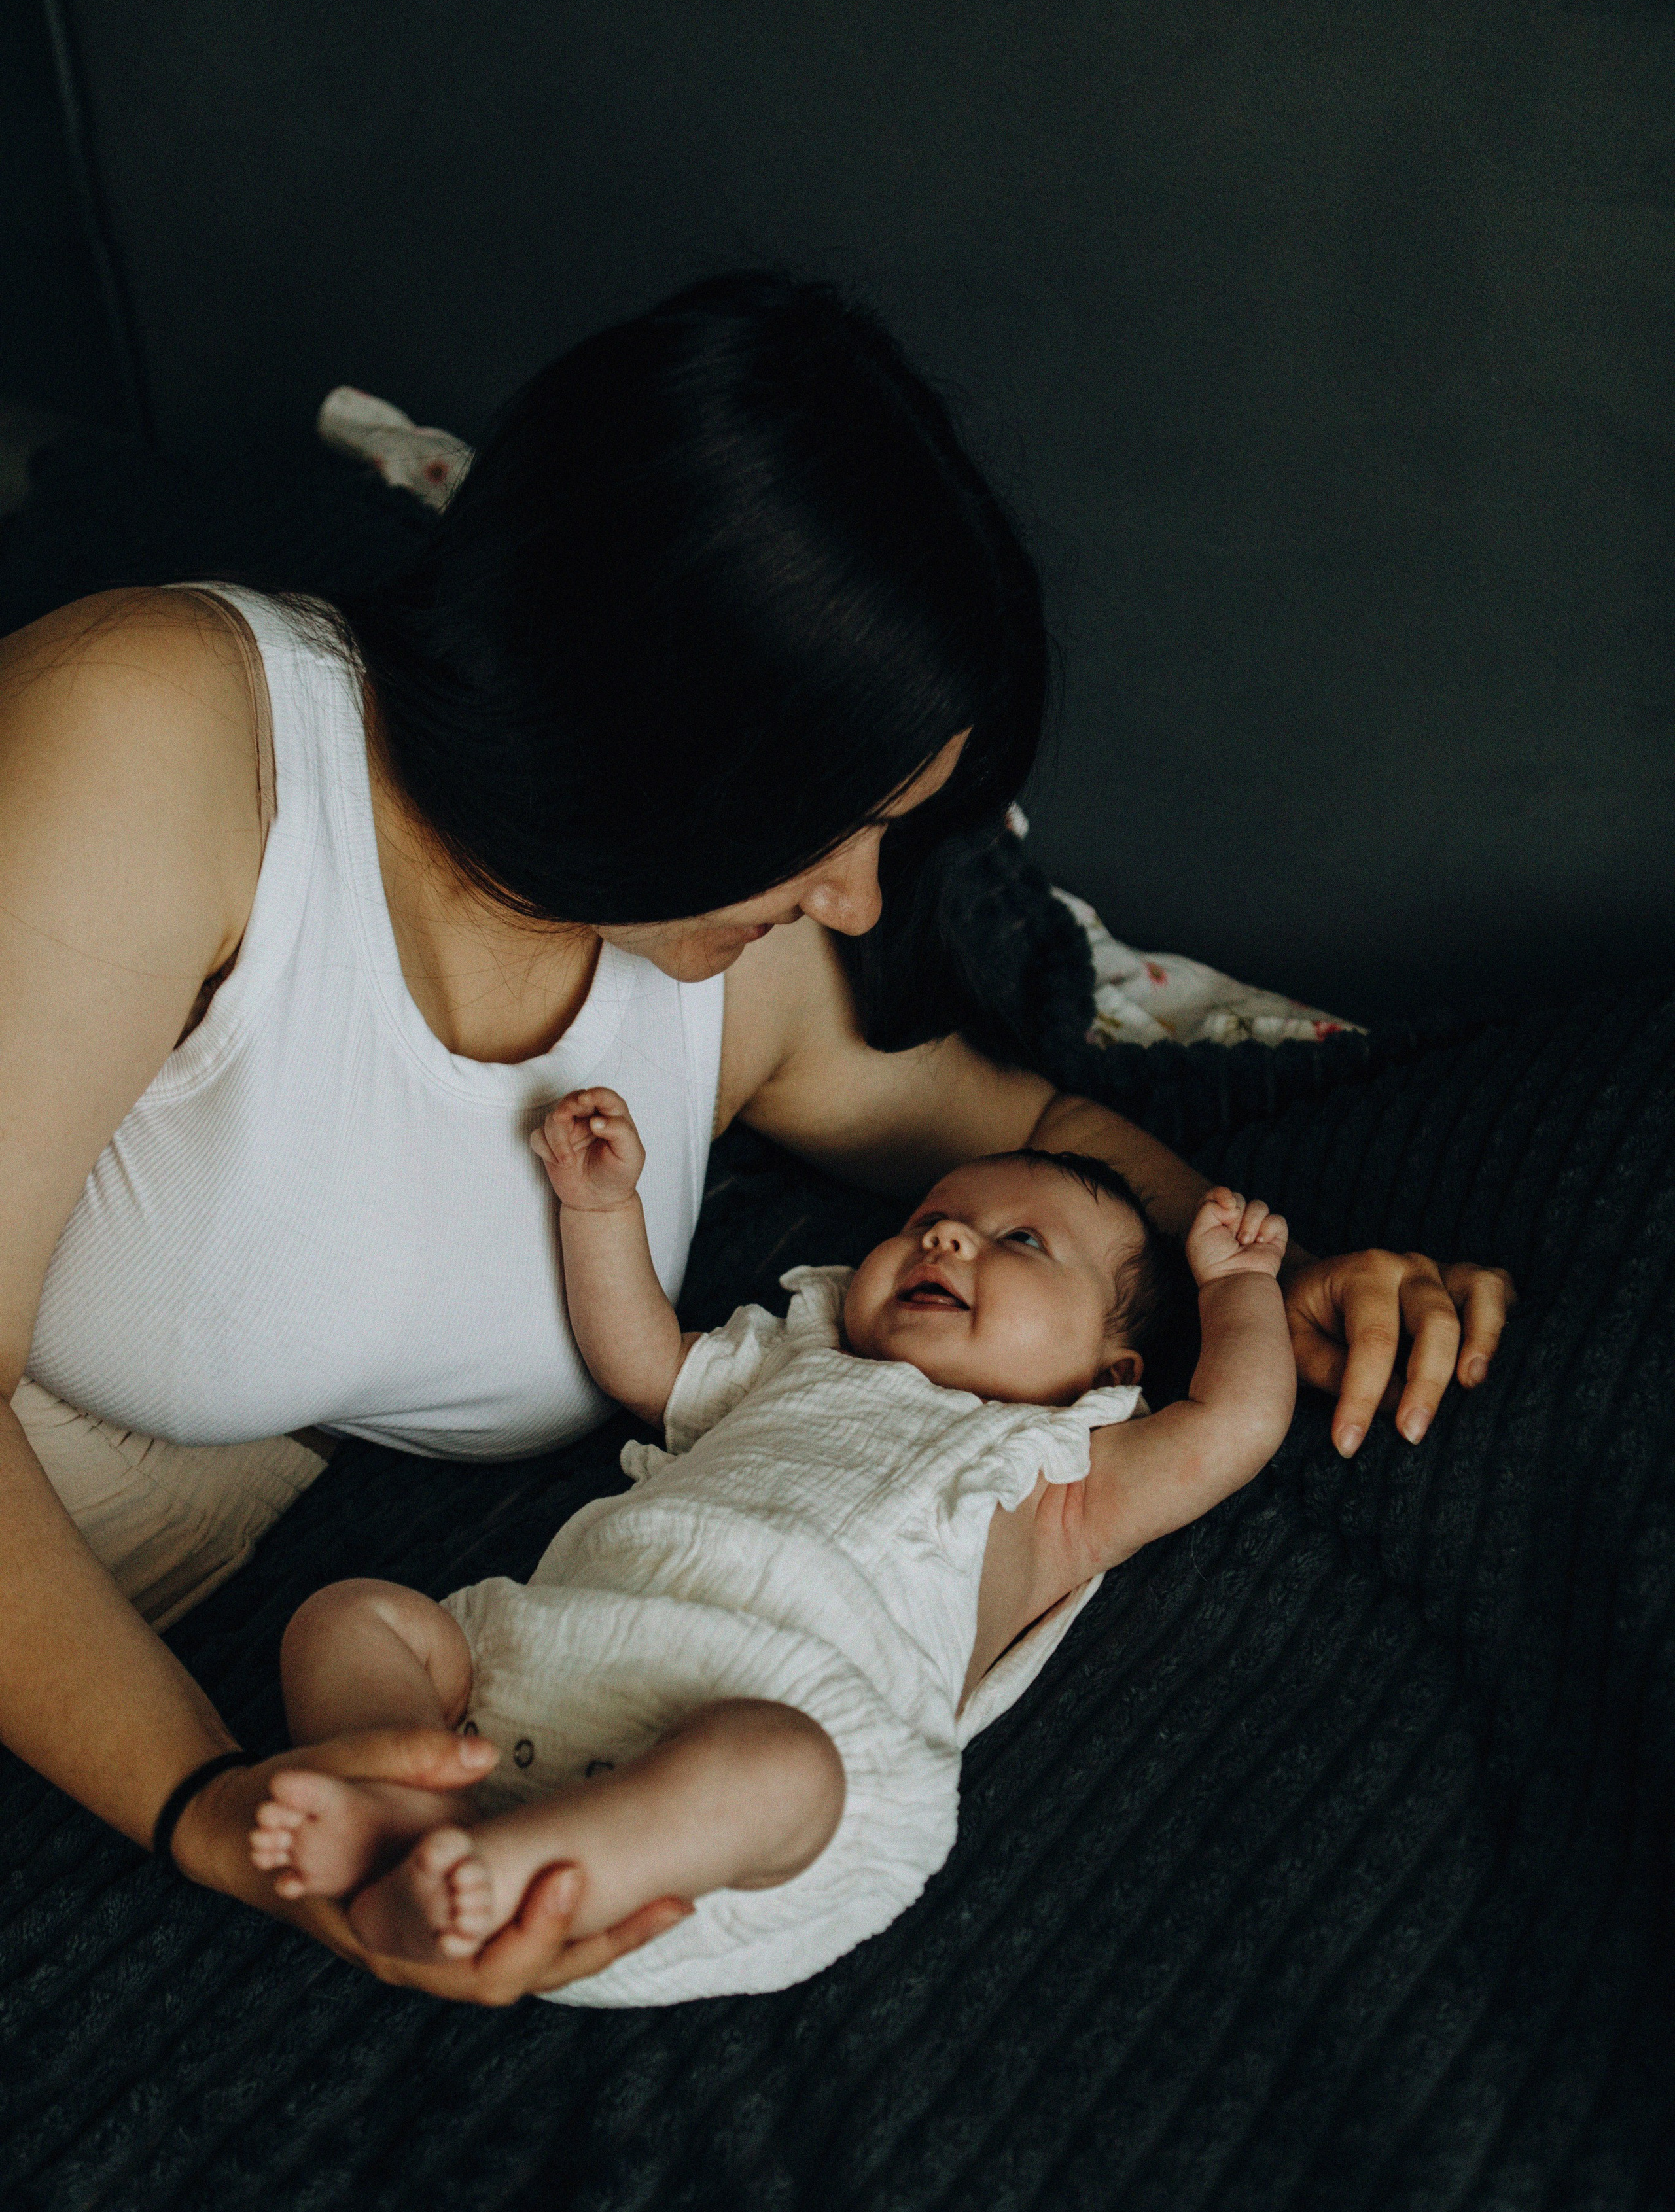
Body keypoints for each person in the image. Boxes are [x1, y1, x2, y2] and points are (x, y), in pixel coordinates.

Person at [0, 270, 1514, 2008]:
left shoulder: (737, 966)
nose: (861, 900)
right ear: (658, 722)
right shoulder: (167, 736)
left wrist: (1278, 1268)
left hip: (213, 1544)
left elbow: (1032, 1127)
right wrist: (201, 1803)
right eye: (834, 827)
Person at [247, 1088, 1291, 2002]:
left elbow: (1232, 1427)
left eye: (1022, 1243)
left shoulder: (1063, 1474)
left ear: (1109, 1376)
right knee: (351, 1617)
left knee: (783, 1770)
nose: (946, 1242)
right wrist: (603, 1210)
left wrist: (1241, 1289)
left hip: (772, 1738)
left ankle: (523, 1868)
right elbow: (643, 1360)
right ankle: (397, 1807)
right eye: (932, 1220)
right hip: (554, 1658)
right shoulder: (794, 1357)